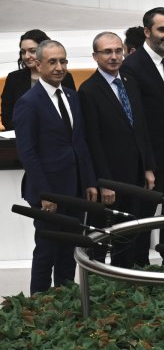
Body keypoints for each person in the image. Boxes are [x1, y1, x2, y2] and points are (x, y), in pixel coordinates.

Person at [13, 40, 97, 293]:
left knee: (69, 249)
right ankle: (38, 305)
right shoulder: (28, 102)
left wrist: (90, 181)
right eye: (52, 62)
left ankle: (66, 298)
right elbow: (27, 153)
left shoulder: (72, 96)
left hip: (75, 189)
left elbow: (80, 142)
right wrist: (45, 194)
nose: (60, 67)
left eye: (63, 61)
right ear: (38, 65)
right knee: (46, 251)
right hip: (48, 193)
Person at [78, 31, 156, 267]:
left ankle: (131, 276)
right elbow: (92, 140)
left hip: (135, 173)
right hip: (110, 179)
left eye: (117, 50)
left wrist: (148, 167)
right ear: (95, 56)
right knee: (103, 235)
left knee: (132, 230)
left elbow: (141, 127)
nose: (114, 56)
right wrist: (105, 182)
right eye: (107, 52)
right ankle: (101, 280)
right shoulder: (89, 90)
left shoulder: (130, 82)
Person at [120, 8, 164, 254]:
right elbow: (136, 120)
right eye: (163, 29)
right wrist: (147, 164)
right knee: (145, 217)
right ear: (147, 32)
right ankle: (140, 271)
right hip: (150, 159)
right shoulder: (132, 66)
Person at [3, 30, 76, 129]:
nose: (26, 56)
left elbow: (72, 112)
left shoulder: (64, 77)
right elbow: (7, 117)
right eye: (23, 52)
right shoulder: (14, 79)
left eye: (32, 51)